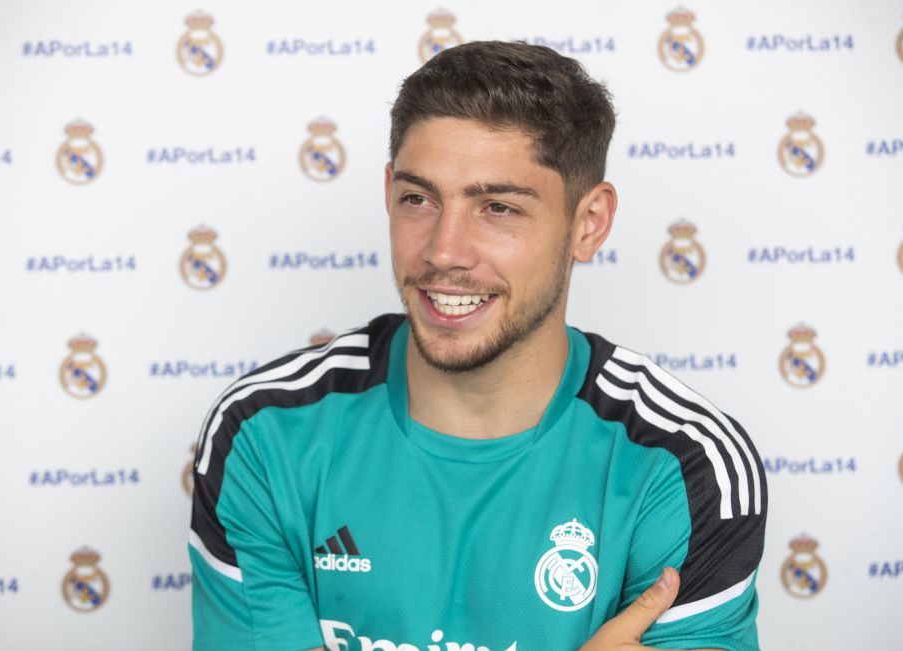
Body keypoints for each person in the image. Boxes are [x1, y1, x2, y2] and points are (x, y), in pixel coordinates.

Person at [189, 41, 766, 651]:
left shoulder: (685, 464)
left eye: (498, 208)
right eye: (418, 199)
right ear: (388, 193)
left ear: (588, 223)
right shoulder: (266, 432)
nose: (443, 251)